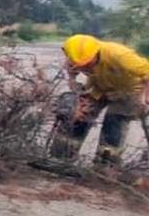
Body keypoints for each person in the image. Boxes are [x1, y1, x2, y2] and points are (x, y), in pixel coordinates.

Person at [50, 34, 149, 165]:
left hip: (129, 90)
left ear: (96, 53)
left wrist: (144, 96)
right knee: (80, 116)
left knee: (113, 122)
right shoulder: (74, 57)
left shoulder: (120, 55)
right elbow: (71, 70)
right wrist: (73, 83)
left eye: (86, 65)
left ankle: (105, 165)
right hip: (98, 87)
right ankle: (60, 157)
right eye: (80, 66)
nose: (83, 68)